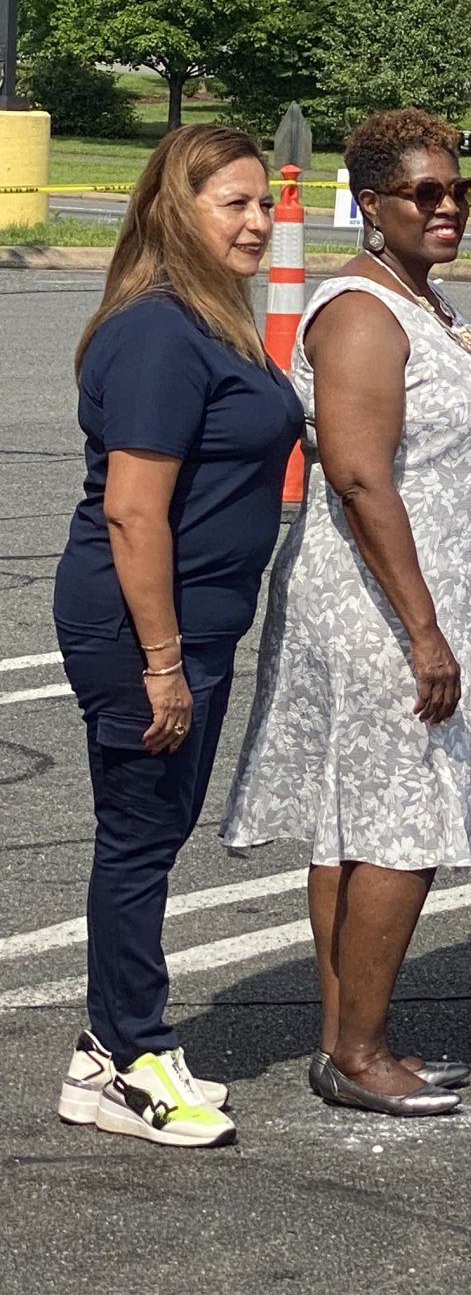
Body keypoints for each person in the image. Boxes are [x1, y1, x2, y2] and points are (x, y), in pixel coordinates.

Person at [223, 110, 471, 1119]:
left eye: (458, 192)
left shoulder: (421, 302)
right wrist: (425, 629)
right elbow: (354, 472)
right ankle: (361, 1048)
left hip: (416, 599)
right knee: (401, 820)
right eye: (421, 194)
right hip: (380, 608)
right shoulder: (359, 311)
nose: (446, 208)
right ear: (372, 204)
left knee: (361, 820)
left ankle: (347, 1042)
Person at [51, 128, 302, 1148]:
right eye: (231, 204)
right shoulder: (159, 333)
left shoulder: (213, 323)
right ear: (176, 212)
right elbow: (133, 513)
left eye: (260, 205)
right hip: (139, 623)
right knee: (139, 839)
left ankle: (102, 1047)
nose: (255, 222)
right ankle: (128, 1055)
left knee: (147, 833)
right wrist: (162, 661)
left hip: (190, 622)